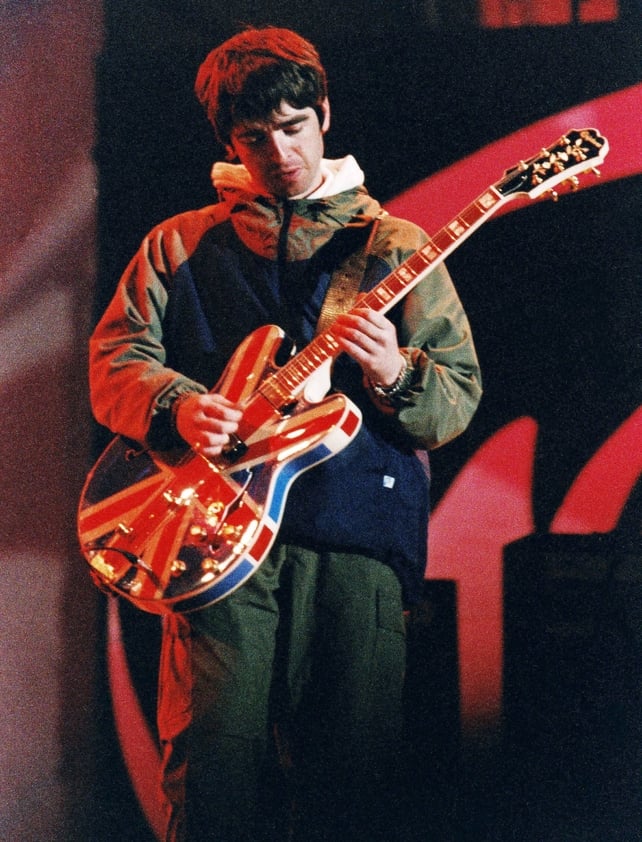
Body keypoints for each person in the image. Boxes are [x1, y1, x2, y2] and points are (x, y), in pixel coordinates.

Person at [89, 26, 482, 842]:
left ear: (325, 114)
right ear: (229, 142)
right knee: (213, 779)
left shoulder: (394, 247)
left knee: (351, 787)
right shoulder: (180, 243)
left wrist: (391, 374)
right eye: (254, 137)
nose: (280, 153)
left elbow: (455, 397)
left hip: (354, 544)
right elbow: (115, 360)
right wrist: (175, 405)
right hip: (217, 547)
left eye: (294, 127)